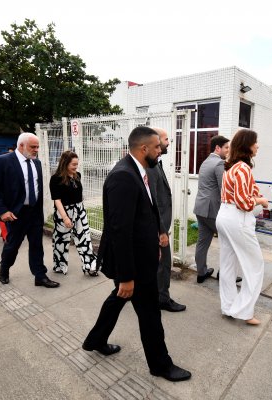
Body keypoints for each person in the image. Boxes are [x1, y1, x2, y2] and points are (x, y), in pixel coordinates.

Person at [83, 126, 191, 382]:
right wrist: (127, 276)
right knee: (150, 313)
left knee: (118, 298)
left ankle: (95, 339)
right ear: (144, 149)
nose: (160, 150)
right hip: (133, 263)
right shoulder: (124, 176)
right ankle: (160, 365)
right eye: (157, 147)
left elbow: (148, 207)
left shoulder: (139, 170)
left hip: (139, 256)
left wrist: (159, 231)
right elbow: (120, 231)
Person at [0, 132, 60, 288]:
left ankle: (40, 276)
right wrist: (2, 211)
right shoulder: (2, 162)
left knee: (36, 246)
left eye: (38, 147)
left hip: (34, 213)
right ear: (21, 145)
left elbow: (37, 187)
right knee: (12, 246)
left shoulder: (36, 163)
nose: (36, 150)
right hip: (15, 214)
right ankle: (4, 269)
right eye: (33, 147)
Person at [216, 129, 269, 325]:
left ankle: (228, 306)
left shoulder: (230, 167)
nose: (258, 145)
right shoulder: (243, 169)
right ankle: (245, 312)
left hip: (224, 215)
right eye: (255, 142)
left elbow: (242, 194)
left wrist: (255, 196)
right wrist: (261, 200)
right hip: (237, 218)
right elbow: (244, 202)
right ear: (247, 145)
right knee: (254, 265)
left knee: (228, 264)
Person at [147, 127, 186, 312]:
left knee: (156, 265)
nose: (169, 142)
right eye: (166, 139)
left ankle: (151, 295)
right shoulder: (150, 166)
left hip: (159, 226)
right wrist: (161, 231)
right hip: (158, 227)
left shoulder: (156, 162)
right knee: (163, 264)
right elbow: (153, 202)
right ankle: (162, 298)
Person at [49, 150, 97, 276]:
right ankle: (60, 266)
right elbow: (57, 200)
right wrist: (65, 217)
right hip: (63, 212)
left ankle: (90, 266)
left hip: (79, 210)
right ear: (65, 164)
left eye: (77, 164)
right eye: (73, 165)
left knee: (85, 238)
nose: (76, 167)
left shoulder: (77, 175)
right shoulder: (55, 179)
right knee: (61, 240)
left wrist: (80, 209)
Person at [194, 135, 230, 283]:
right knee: (229, 242)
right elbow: (224, 190)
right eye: (226, 147)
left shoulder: (205, 162)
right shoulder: (219, 163)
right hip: (212, 211)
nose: (228, 150)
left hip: (200, 208)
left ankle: (201, 272)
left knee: (202, 242)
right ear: (218, 148)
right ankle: (225, 275)